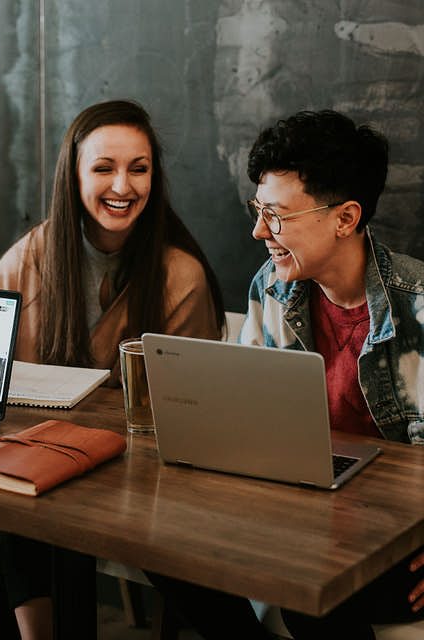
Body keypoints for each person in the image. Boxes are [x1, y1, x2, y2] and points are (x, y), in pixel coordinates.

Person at [149, 110, 424, 639]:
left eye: (276, 215)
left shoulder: (417, 308)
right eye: (258, 210)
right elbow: (247, 421)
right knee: (159, 546)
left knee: (306, 583)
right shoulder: (271, 289)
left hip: (388, 541)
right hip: (296, 515)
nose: (258, 231)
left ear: (344, 219)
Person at [0, 99, 225, 640]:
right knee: (1, 494)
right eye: (104, 167)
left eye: (139, 169)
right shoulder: (42, 247)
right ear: (74, 175)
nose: (123, 185)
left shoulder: (179, 275)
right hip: (44, 459)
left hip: (138, 479)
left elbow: (191, 411)